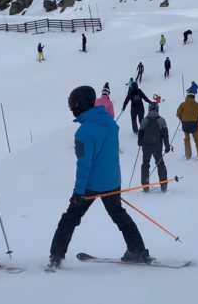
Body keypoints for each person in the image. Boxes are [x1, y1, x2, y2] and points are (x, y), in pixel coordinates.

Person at [48, 86, 151, 270]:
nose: (72, 107)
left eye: (74, 103)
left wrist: (78, 192)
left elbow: (84, 166)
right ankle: (138, 250)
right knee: (119, 214)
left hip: (92, 184)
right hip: (112, 181)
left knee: (70, 217)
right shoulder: (110, 123)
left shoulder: (83, 133)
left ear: (83, 104)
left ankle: (56, 256)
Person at [138, 102, 171, 192]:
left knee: (145, 165)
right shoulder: (161, 120)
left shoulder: (144, 120)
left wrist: (140, 142)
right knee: (160, 165)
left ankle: (145, 186)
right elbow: (165, 135)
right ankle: (163, 185)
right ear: (157, 109)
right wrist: (167, 146)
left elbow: (140, 133)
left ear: (149, 109)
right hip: (157, 146)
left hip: (146, 146)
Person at [176, 91, 198, 160]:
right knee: (197, 140)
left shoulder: (183, 104)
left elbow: (178, 114)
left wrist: (181, 117)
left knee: (187, 139)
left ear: (187, 96)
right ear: (194, 97)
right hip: (194, 124)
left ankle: (188, 154)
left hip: (185, 124)